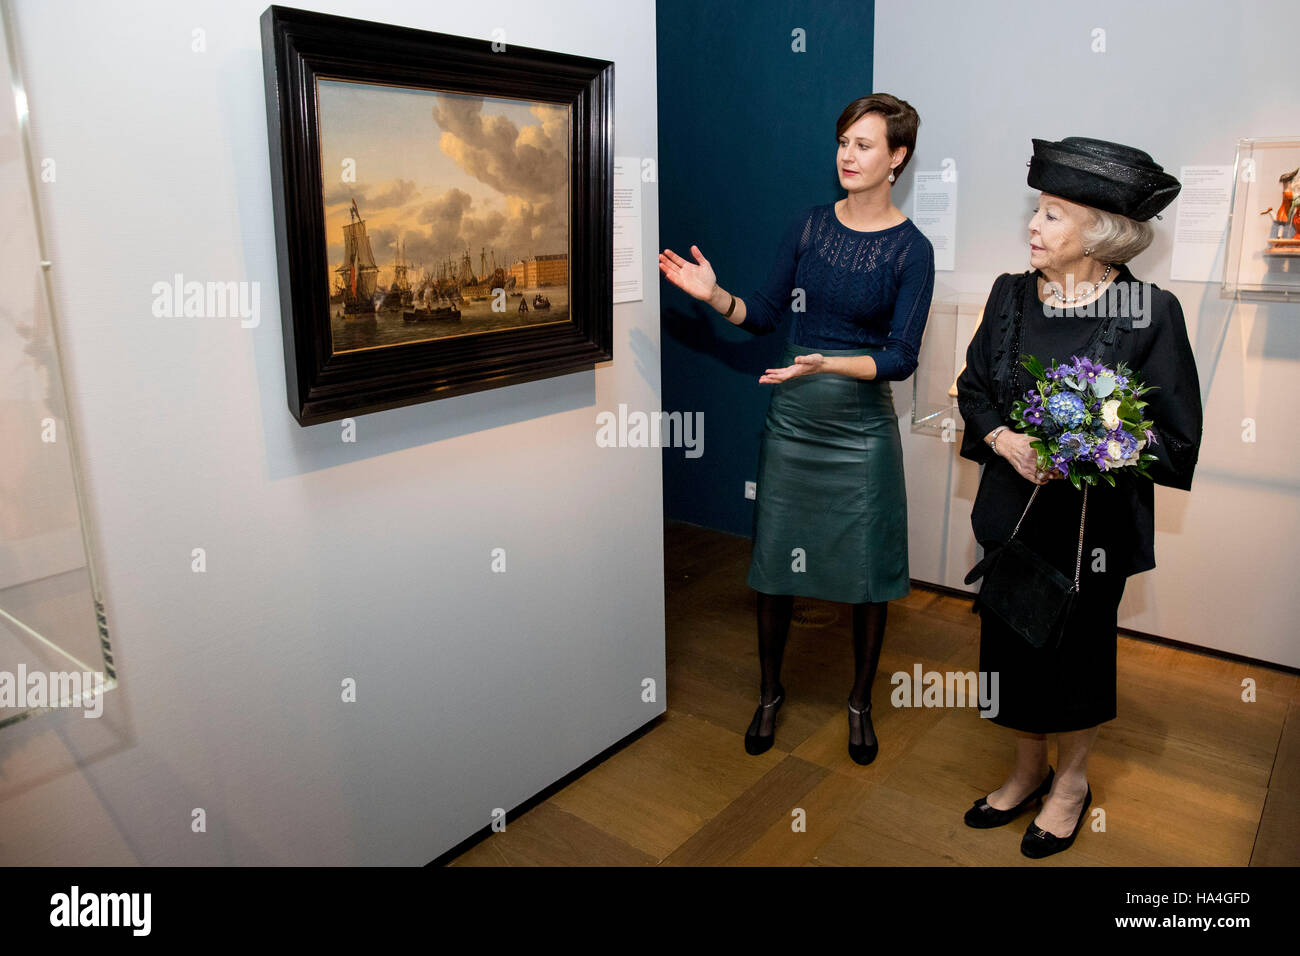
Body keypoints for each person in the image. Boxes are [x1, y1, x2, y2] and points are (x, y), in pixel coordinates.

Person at [658, 93, 935, 765]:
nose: (847, 154)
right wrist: (714, 296)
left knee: (870, 574)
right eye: (843, 140)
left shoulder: (912, 250)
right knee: (777, 562)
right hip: (795, 421)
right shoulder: (810, 226)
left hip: (861, 427)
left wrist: (827, 363)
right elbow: (763, 315)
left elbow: (901, 357)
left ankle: (860, 703)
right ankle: (769, 693)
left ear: (897, 158)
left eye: (864, 144)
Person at [955, 137, 1203, 858]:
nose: (1034, 227)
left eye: (1053, 215)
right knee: (1008, 649)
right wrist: (1003, 440)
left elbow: (1174, 438)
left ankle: (1072, 782)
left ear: (1099, 235)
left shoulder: (1147, 312)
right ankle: (1027, 769)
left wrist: (1082, 448)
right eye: (1037, 211)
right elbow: (974, 389)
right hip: (1011, 514)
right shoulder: (1009, 294)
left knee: (1074, 656)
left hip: (1091, 528)